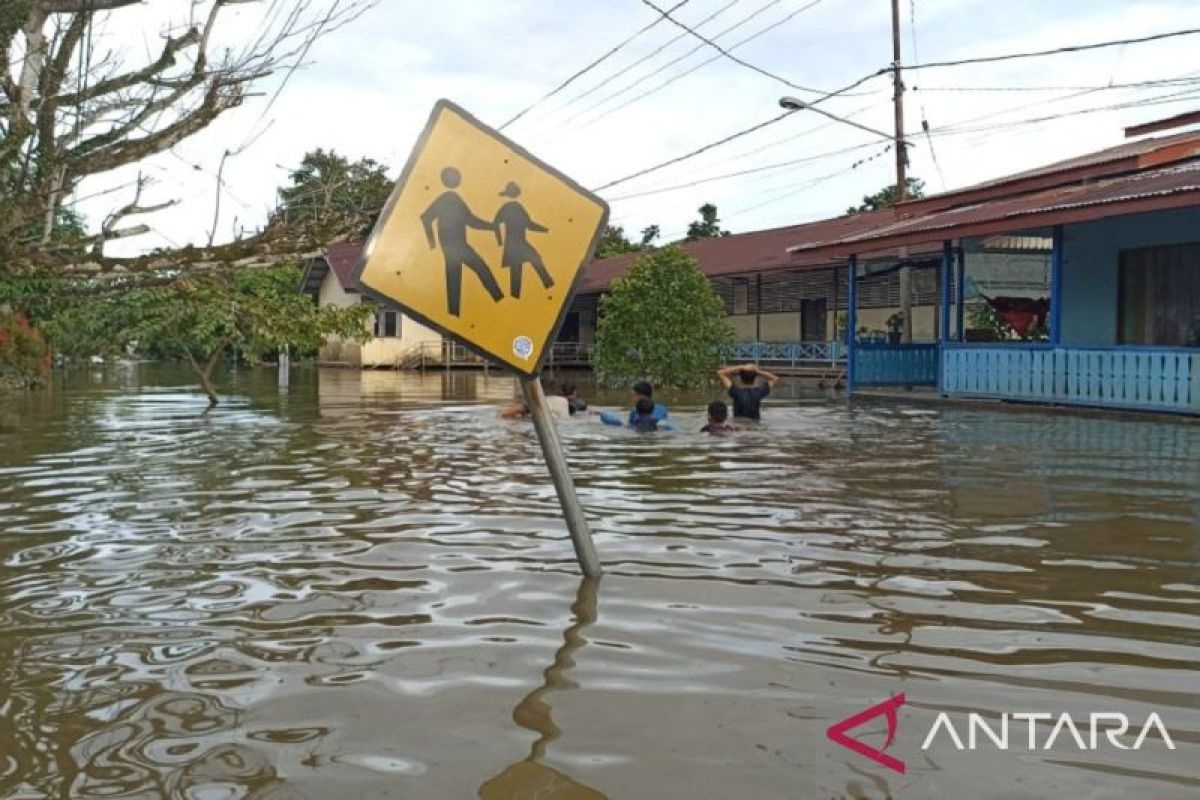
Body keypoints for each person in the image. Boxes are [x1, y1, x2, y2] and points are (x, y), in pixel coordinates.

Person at [421, 166, 504, 317]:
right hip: (455, 246)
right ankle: (499, 299)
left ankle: (454, 313)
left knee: (456, 277)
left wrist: (490, 227)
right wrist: (432, 243)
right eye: (455, 177)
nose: (458, 179)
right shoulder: (448, 198)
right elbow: (426, 217)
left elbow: (469, 220)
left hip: (455, 245)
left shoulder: (454, 198)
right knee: (478, 269)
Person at [493, 181, 554, 299]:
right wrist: (499, 240)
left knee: (530, 262)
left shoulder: (517, 207)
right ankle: (517, 296)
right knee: (519, 270)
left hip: (519, 243)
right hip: (514, 245)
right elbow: (495, 223)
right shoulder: (508, 208)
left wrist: (545, 230)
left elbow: (528, 224)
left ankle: (548, 285)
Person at [599, 381, 669, 427]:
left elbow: (628, 425)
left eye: (634, 395)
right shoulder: (663, 409)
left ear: (641, 396)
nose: (632, 398)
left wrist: (602, 414)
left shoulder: (635, 410)